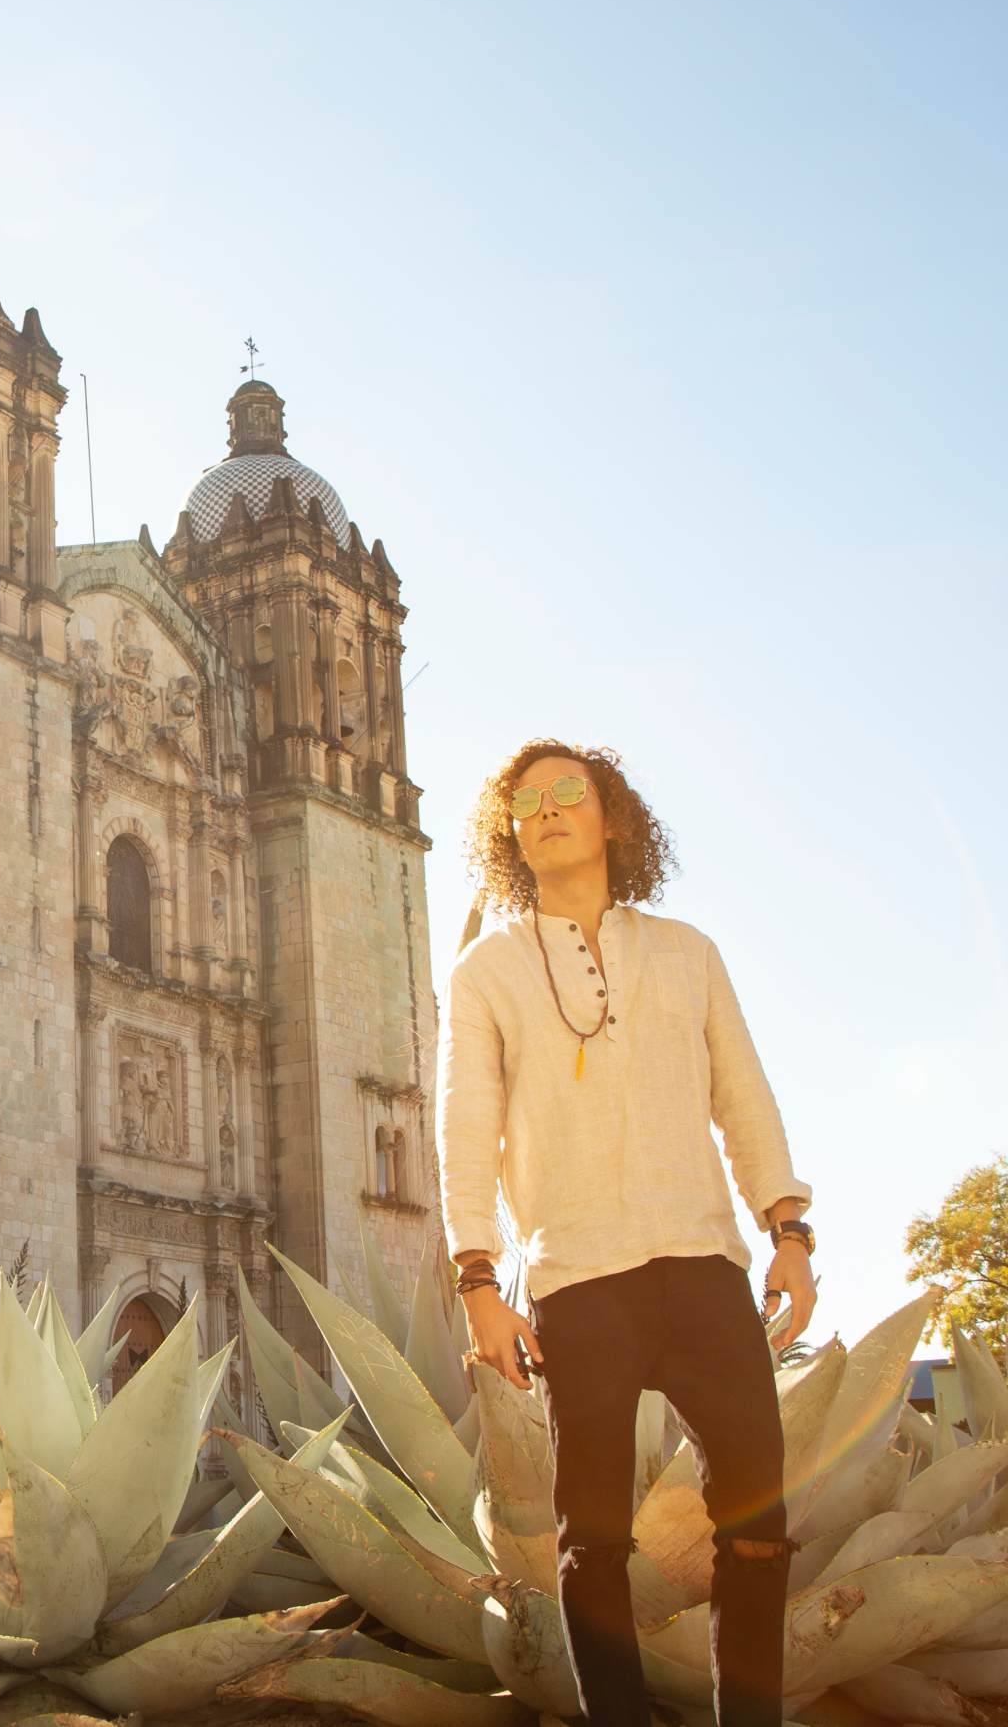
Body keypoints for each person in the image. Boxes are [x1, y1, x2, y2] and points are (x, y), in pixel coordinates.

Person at [435, 739, 817, 1726]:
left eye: (571, 792)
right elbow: (464, 1130)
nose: (548, 809)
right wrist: (476, 1277)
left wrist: (789, 1232)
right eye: (526, 802)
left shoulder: (688, 954)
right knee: (591, 1540)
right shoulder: (486, 974)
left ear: (613, 817)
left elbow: (745, 1097)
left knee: (758, 1527)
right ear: (510, 836)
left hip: (705, 1269)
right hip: (579, 1280)